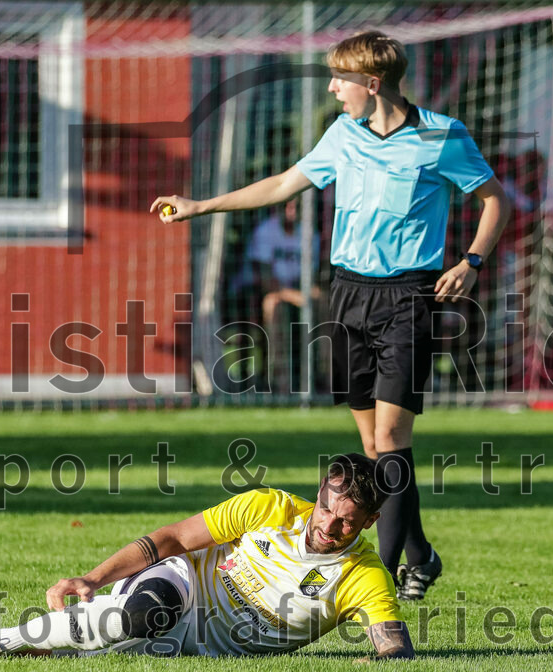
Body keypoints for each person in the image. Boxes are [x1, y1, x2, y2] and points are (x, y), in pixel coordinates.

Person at [151, 32, 511, 598]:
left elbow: (496, 200)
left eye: (340, 78)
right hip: (347, 296)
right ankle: (421, 552)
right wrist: (202, 206)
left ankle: (382, 578)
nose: (332, 88)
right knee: (375, 450)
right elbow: (283, 184)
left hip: (409, 297)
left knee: (391, 439)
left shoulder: (442, 136)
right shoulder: (343, 134)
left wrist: (471, 261)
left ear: (371, 83)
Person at [0, 454, 414, 662]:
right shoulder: (268, 507)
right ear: (321, 493)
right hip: (181, 587)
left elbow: (394, 644)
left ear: (368, 524)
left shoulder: (363, 574)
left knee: (49, 652)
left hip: (199, 645)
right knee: (137, 612)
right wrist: (94, 577)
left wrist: (383, 663)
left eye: (348, 523)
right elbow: (174, 539)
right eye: (329, 510)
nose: (331, 527)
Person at [249, 197, 323, 393]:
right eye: (287, 206)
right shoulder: (266, 231)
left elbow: (311, 277)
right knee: (274, 305)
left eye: (296, 206)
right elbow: (265, 280)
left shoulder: (309, 235)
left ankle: (325, 376)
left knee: (325, 301)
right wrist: (295, 295)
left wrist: (304, 294)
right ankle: (281, 382)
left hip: (299, 291)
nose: (292, 210)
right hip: (270, 294)